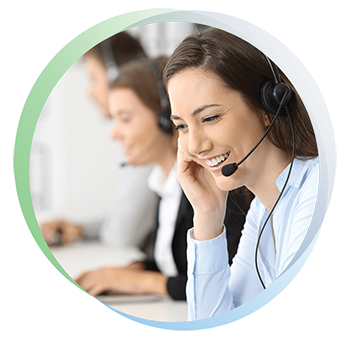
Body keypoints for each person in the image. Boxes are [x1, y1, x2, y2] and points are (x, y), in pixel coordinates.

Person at [164, 27, 319, 318]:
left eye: (209, 118)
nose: (194, 146)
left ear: (269, 105)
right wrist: (207, 216)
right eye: (182, 126)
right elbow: (215, 324)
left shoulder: (320, 196)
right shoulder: (263, 209)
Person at [75, 56, 253, 300]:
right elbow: (175, 264)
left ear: (164, 118)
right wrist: (131, 272)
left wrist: (145, 282)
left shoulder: (215, 187)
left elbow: (227, 280)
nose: (114, 134)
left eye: (125, 119)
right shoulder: (164, 183)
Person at [40, 32, 159, 250]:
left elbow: (122, 235)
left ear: (117, 76)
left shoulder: (150, 144)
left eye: (93, 78)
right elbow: (120, 222)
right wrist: (80, 229)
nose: (89, 91)